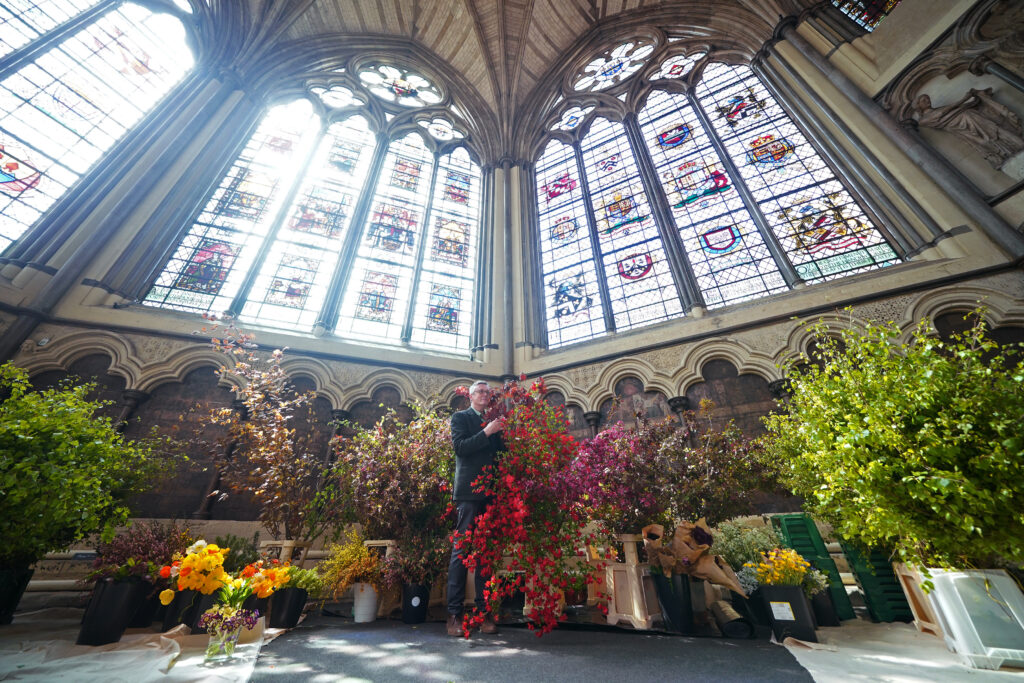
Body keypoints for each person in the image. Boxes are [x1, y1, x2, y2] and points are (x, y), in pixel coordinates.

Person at [446, 380, 506, 637]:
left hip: (490, 493)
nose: (485, 394)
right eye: (480, 391)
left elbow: (500, 455)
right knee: (461, 552)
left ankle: (484, 614)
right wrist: (487, 432)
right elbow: (460, 448)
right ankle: (454, 615)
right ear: (470, 396)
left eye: (487, 392)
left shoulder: (493, 421)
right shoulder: (460, 418)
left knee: (485, 553)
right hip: (469, 493)